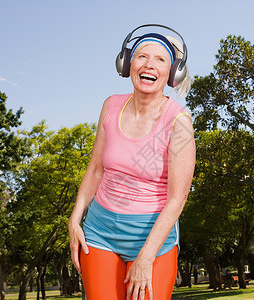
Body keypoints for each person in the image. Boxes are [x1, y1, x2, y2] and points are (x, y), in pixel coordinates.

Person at [68, 24, 195, 300]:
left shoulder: (181, 123)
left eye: (160, 59)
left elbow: (178, 198)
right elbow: (95, 170)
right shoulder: (110, 106)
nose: (149, 65)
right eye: (141, 56)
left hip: (153, 240)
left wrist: (146, 256)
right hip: (100, 234)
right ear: (127, 64)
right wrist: (75, 219)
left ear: (173, 73)